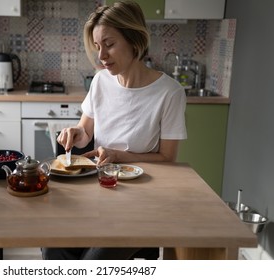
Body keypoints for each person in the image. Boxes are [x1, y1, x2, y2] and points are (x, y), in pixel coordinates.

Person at [42, 0, 187, 260]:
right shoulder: (100, 82)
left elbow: (168, 158)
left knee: (94, 261)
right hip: (98, 192)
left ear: (134, 40)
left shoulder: (169, 92)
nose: (101, 56)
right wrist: (75, 132)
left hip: (142, 202)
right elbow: (85, 131)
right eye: (98, 46)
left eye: (109, 44)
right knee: (53, 244)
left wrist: (120, 155)